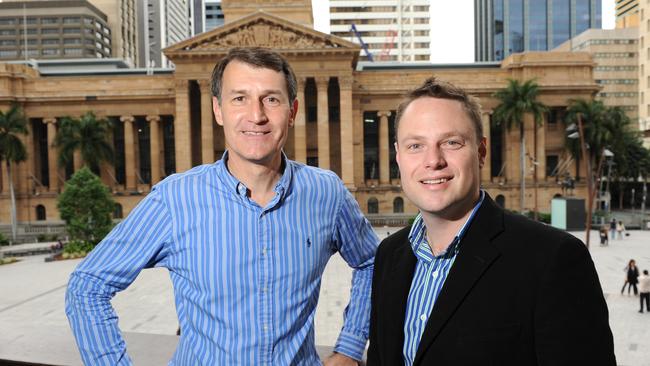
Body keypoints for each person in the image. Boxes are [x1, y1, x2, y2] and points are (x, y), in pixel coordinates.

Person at [65, 47, 378, 365]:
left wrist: (350, 349)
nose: (256, 116)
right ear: (218, 110)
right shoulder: (176, 199)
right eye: (239, 98)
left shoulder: (326, 193)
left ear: (293, 110)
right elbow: (88, 285)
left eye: (271, 98)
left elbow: (372, 263)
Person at [367, 77, 615, 365]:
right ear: (398, 156)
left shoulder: (552, 259)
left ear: (481, 151)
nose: (433, 160)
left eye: (451, 142)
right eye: (415, 146)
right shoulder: (389, 255)